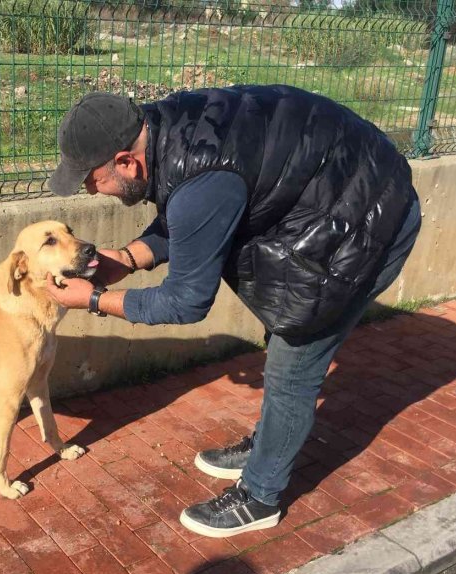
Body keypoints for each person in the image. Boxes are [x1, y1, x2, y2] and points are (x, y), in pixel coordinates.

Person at [45, 85, 421, 539]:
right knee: (284, 328)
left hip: (370, 217)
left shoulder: (198, 176)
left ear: (127, 162)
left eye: (92, 178)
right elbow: (186, 215)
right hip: (337, 187)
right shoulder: (169, 132)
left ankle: (261, 495)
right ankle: (269, 445)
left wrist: (91, 300)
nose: (90, 190)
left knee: (293, 356)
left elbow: (186, 301)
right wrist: (126, 259)